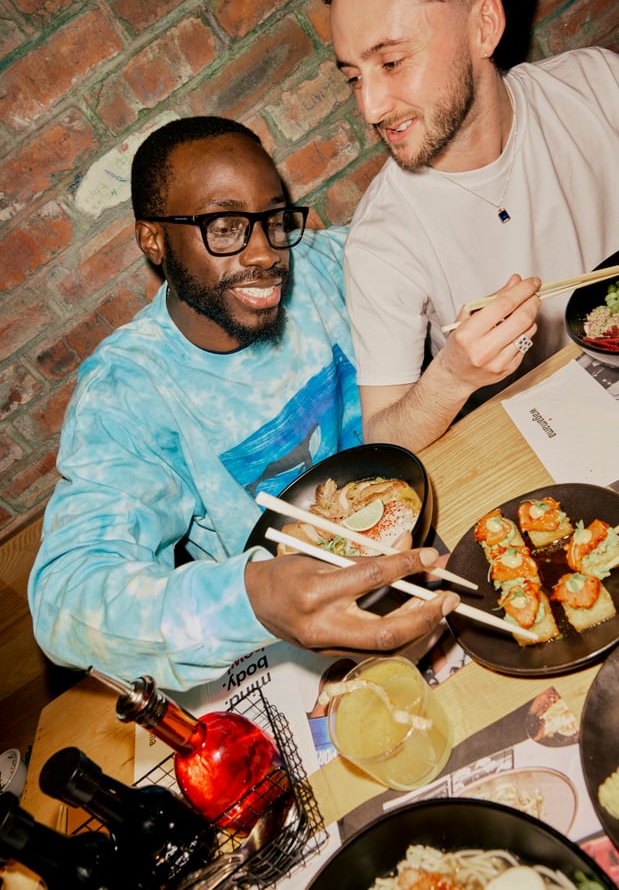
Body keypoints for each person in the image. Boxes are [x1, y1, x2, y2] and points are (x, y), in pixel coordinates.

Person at [28, 116, 459, 692]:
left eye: (274, 220)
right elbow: (66, 601)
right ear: (153, 239)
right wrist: (252, 599)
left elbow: (424, 233)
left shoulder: (325, 268)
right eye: (225, 228)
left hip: (436, 530)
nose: (267, 255)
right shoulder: (128, 389)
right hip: (300, 642)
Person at [319, 0, 619, 451]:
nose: (370, 108)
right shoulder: (381, 240)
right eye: (354, 77)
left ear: (484, 26)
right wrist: (452, 378)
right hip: (551, 451)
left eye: (391, 63)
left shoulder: (597, 83)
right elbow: (384, 439)